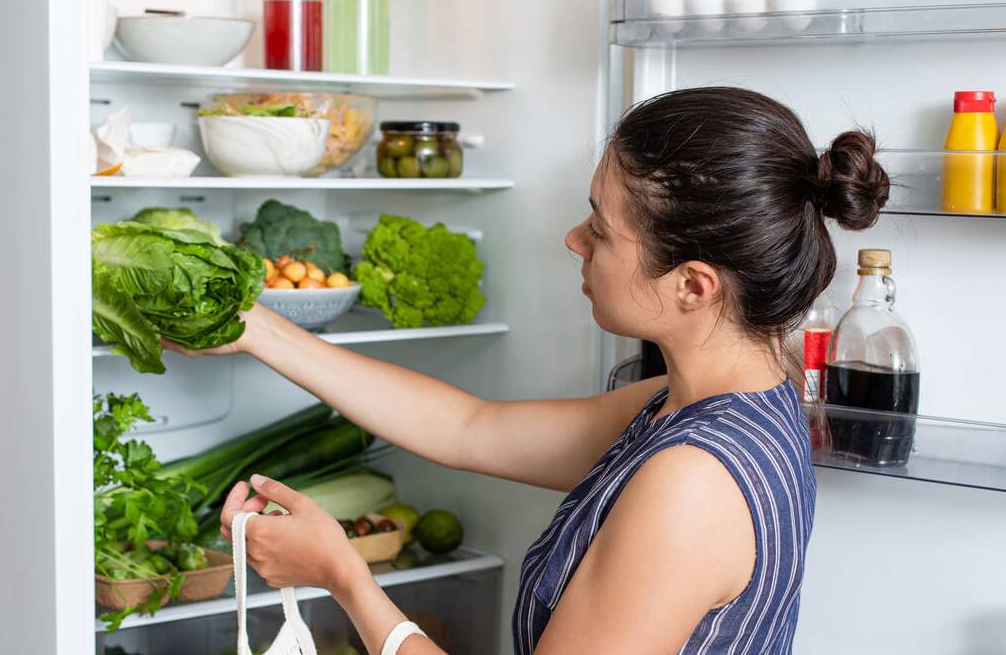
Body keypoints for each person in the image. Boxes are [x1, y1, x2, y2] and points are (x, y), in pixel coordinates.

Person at [173, 86, 889, 654]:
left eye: (601, 230)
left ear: (693, 286)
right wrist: (258, 329)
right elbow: (471, 428)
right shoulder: (715, 399)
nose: (574, 238)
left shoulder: (693, 483)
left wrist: (344, 576)